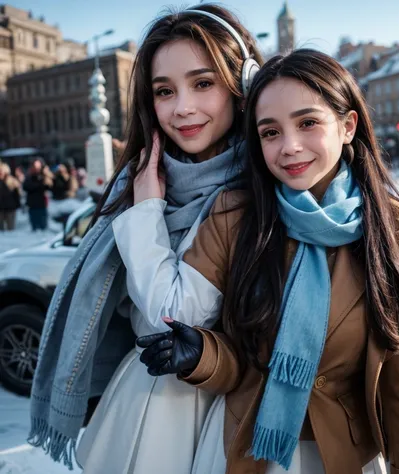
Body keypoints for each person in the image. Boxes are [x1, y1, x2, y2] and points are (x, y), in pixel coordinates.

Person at [134, 50, 399, 474]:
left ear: (348, 125)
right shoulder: (236, 215)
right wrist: (202, 355)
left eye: (308, 122)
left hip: (346, 457)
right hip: (249, 451)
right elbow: (243, 364)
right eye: (270, 132)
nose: (289, 146)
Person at [28, 5, 263, 474]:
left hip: (225, 413)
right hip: (136, 399)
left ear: (243, 87)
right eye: (164, 91)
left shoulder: (260, 189)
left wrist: (148, 211)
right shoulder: (138, 179)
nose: (182, 108)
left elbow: (168, 319)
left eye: (203, 83)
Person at [22, 158, 53, 231]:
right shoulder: (29, 176)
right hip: (32, 205)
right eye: (34, 167)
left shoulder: (44, 176)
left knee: (43, 227)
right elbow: (26, 187)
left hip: (42, 205)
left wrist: (46, 174)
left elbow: (49, 185)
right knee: (35, 227)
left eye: (38, 167)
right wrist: (39, 185)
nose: (36, 169)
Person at [0, 163, 21, 230]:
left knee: (10, 229)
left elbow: (17, 194)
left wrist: (17, 204)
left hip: (10, 208)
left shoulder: (12, 180)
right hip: (0, 209)